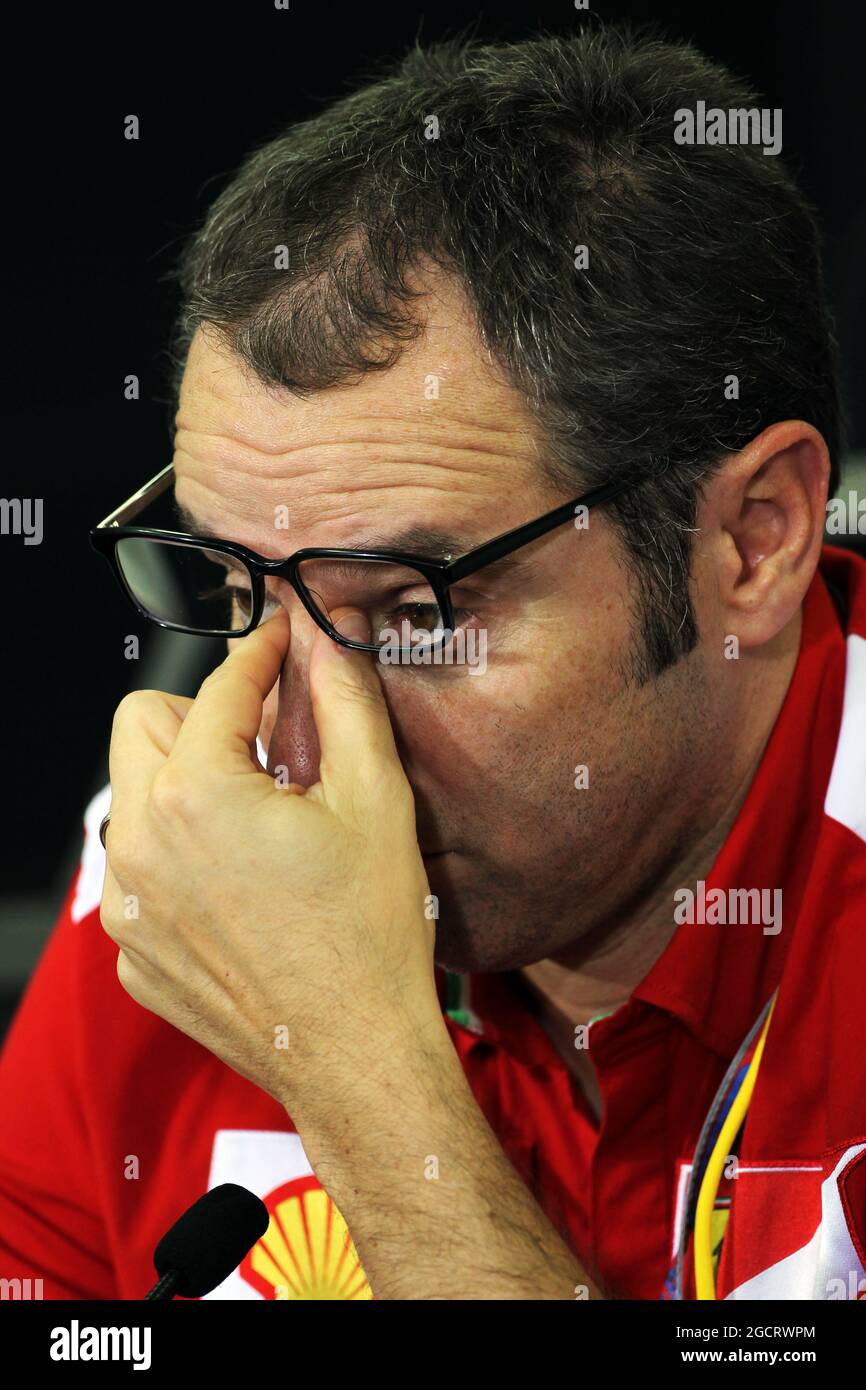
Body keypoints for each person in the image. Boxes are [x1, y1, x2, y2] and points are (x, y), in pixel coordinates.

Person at [1, 26, 863, 1302]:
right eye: (240, 592)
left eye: (414, 613)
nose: (291, 752)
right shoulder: (184, 872)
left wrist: (357, 1069)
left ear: (751, 541)